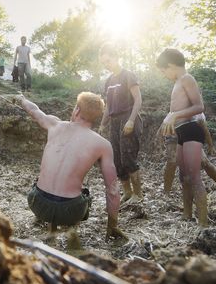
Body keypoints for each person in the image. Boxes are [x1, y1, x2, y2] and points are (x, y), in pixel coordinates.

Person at [18, 92, 126, 240]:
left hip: (37, 204)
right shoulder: (103, 144)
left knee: (45, 187)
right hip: (70, 211)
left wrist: (21, 99)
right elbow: (112, 190)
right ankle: (71, 230)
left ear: (76, 110)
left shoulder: (54, 124)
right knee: (84, 193)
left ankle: (51, 230)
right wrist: (112, 225)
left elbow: (35, 111)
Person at [157, 48, 209, 227]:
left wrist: (174, 115)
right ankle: (187, 215)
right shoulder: (178, 81)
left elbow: (199, 106)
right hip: (180, 132)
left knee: (194, 177)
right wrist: (168, 118)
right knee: (183, 177)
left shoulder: (187, 79)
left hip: (192, 130)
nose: (164, 75)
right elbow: (177, 110)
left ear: (171, 65)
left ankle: (203, 224)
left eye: (164, 71)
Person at [98, 45, 143, 203]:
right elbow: (108, 107)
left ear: (116, 57)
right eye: (104, 63)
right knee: (117, 159)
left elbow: (138, 99)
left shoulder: (128, 75)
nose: (106, 64)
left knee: (128, 157)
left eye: (108, 60)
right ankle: (128, 193)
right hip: (114, 121)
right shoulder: (108, 81)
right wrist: (103, 125)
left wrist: (131, 120)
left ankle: (138, 195)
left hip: (128, 117)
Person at [163, 113, 216, 193]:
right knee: (172, 163)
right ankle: (166, 191)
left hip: (190, 137)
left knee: (204, 161)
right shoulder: (173, 112)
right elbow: (164, 127)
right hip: (173, 137)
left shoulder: (198, 114)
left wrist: (211, 146)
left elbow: (205, 129)